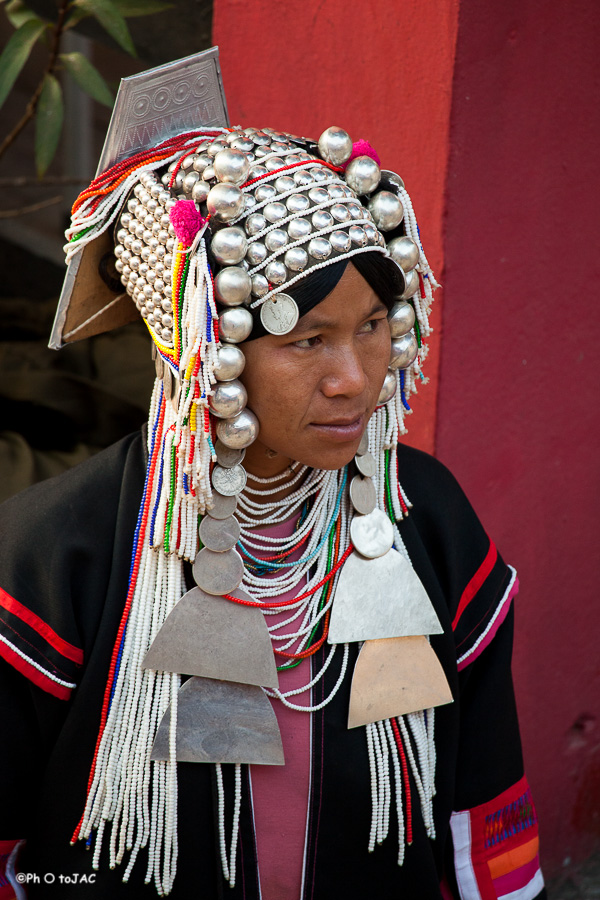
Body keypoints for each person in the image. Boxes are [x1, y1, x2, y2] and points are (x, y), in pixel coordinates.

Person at [0, 107, 546, 900]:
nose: (355, 378)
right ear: (198, 353)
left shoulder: (428, 521)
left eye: (370, 328)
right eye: (306, 340)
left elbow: (484, 816)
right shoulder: (55, 558)